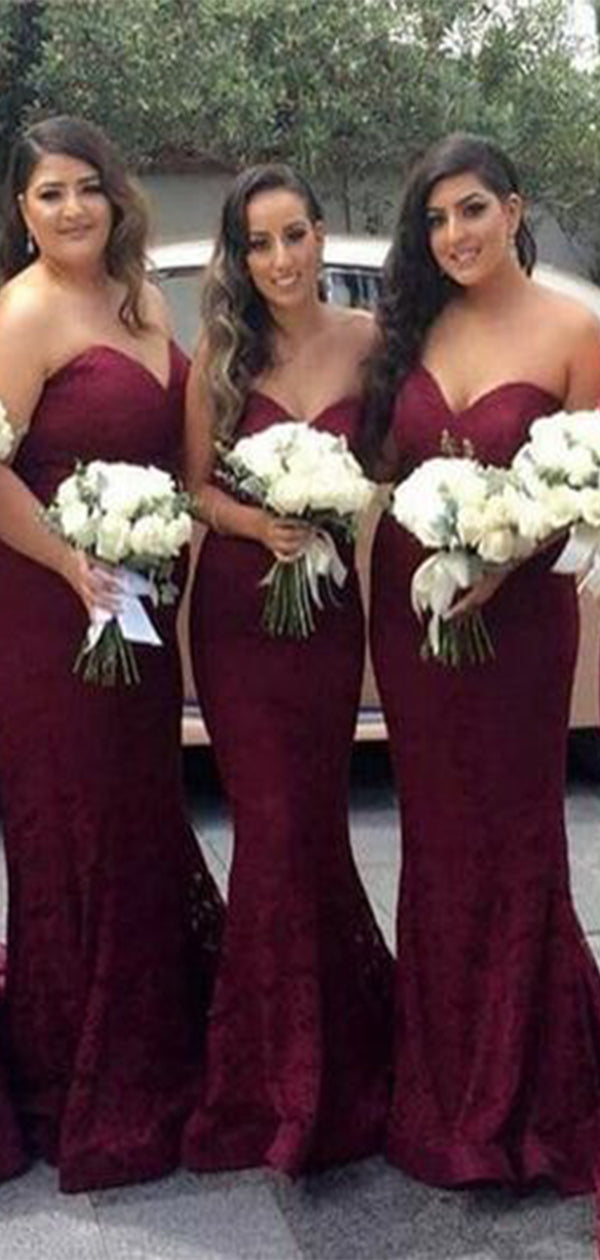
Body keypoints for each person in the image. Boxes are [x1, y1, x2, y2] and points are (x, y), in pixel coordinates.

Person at [365, 132, 600, 1193]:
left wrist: (502, 562)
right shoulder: (412, 323)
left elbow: (587, 485)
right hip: (413, 609)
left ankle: (528, 1086)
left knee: (514, 833)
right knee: (437, 828)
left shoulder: (575, 329)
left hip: (523, 621)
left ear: (515, 209)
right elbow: (380, 457)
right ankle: (442, 1077)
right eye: (435, 218)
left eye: (471, 210)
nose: (453, 234)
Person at [0, 115, 223, 1192]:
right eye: (50, 193)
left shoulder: (140, 299)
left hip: (138, 611)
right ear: (22, 210)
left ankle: (156, 1048)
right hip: (55, 612)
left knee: (139, 815)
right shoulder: (21, 313)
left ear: (115, 195)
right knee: (74, 822)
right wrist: (68, 562)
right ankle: (77, 1068)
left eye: (88, 186)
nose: (73, 208)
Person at [182, 163, 393, 1175]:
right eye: (258, 244)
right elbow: (194, 489)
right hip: (238, 616)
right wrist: (254, 521)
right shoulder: (223, 352)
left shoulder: (367, 340)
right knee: (266, 831)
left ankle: (346, 1047)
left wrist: (346, 500)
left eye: (294, 235)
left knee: (314, 825)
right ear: (241, 256)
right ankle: (268, 1079)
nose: (280, 260)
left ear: (319, 234)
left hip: (326, 625)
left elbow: (391, 461)